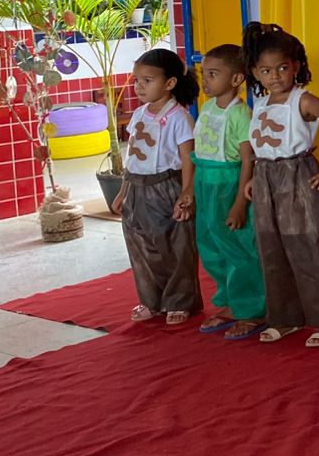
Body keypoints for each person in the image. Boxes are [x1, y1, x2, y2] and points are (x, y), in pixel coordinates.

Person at [238, 21, 319, 349]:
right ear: (255, 72)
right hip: (266, 178)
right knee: (271, 249)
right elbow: (260, 145)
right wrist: (252, 177)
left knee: (308, 246)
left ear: (296, 65)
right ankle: (284, 318)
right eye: (266, 71)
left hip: (297, 175)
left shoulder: (303, 100)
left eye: (282, 68)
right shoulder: (260, 104)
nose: (275, 76)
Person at [112, 48, 201, 325]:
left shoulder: (179, 117)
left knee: (175, 247)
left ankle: (179, 301)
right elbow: (133, 156)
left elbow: (188, 159)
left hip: (166, 187)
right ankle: (151, 300)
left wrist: (187, 191)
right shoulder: (139, 114)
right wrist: (123, 191)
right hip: (136, 188)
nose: (139, 86)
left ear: (170, 83)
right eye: (136, 80)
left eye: (147, 80)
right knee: (141, 245)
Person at [191, 44, 267, 340]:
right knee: (210, 246)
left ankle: (251, 309)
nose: (206, 80)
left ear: (236, 79)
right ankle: (231, 300)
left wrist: (238, 203)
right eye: (204, 74)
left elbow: (248, 159)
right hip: (205, 182)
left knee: (237, 247)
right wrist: (191, 191)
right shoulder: (207, 108)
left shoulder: (240, 115)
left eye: (213, 74)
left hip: (228, 184)